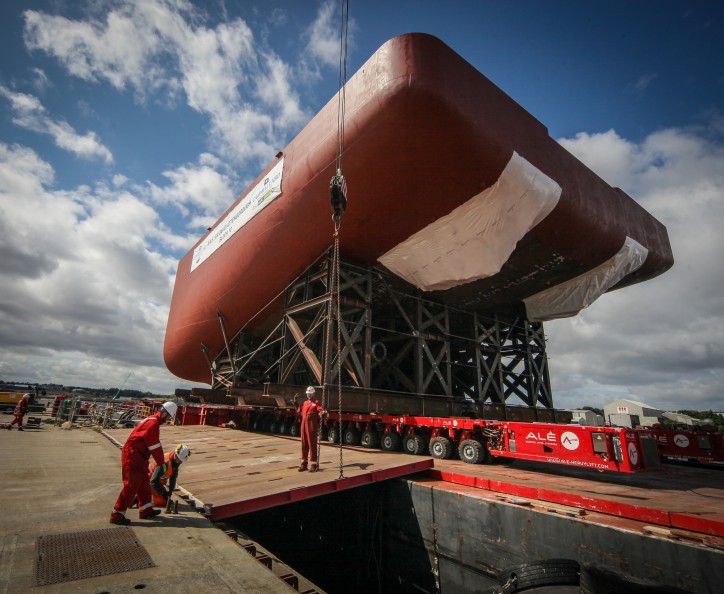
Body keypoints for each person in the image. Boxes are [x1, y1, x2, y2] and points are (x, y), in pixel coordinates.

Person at [109, 401, 178, 525]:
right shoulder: (153, 425)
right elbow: (155, 446)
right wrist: (161, 463)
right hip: (133, 455)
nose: (168, 420)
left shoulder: (152, 420)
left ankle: (146, 509)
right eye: (168, 417)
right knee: (131, 485)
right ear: (165, 414)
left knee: (144, 482)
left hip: (139, 455)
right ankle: (117, 514)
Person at [294, 386, 325, 472]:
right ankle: (303, 464)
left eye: (310, 393)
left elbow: (320, 410)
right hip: (303, 426)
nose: (308, 395)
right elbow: (299, 411)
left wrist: (322, 413)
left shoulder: (316, 402)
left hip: (311, 426)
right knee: (304, 444)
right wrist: (296, 402)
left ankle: (313, 464)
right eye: (307, 393)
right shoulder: (305, 403)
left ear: (313, 394)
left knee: (312, 444)